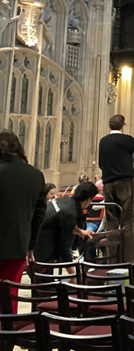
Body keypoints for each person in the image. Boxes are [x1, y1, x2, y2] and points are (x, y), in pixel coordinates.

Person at [99, 113, 134, 263]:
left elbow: (100, 164)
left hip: (109, 184)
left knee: (111, 223)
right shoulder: (126, 140)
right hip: (125, 183)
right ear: (122, 126)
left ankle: (111, 260)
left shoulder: (103, 141)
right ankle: (129, 261)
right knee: (127, 221)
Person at [0, 131, 47, 309]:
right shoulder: (35, 175)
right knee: (10, 295)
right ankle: (8, 333)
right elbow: (39, 215)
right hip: (18, 245)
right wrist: (30, 246)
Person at [35, 181, 99, 266]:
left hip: (33, 243)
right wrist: (73, 275)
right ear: (88, 199)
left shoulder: (64, 200)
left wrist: (81, 232)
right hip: (40, 253)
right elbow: (64, 249)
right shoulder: (70, 213)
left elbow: (64, 225)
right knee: (47, 279)